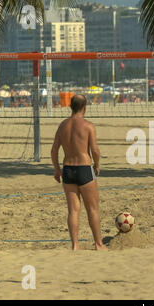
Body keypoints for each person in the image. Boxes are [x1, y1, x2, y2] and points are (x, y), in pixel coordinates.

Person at [51, 94, 107, 251]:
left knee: (73, 210)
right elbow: (95, 150)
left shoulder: (63, 126)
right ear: (85, 108)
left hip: (68, 169)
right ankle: (98, 244)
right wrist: (97, 164)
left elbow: (54, 150)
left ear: (70, 107)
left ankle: (75, 245)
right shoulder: (88, 126)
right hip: (84, 169)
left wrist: (57, 169)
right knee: (92, 209)